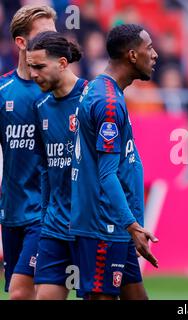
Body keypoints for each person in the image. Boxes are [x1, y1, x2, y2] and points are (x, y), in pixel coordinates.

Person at [70, 23, 159, 300]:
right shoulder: (109, 102)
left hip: (116, 226)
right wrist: (132, 225)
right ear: (132, 55)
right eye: (149, 48)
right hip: (105, 226)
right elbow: (106, 174)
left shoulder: (104, 90)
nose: (155, 54)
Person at [0, 5, 56, 300]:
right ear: (21, 43)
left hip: (45, 213)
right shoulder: (3, 91)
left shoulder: (59, 92)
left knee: (21, 293)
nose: (54, 41)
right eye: (44, 35)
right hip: (11, 213)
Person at [27, 31, 86, 300]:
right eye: (30, 67)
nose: (33, 74)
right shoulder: (41, 107)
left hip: (90, 225)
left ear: (62, 63)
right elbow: (45, 169)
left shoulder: (92, 98)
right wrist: (43, 215)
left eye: (39, 67)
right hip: (54, 226)